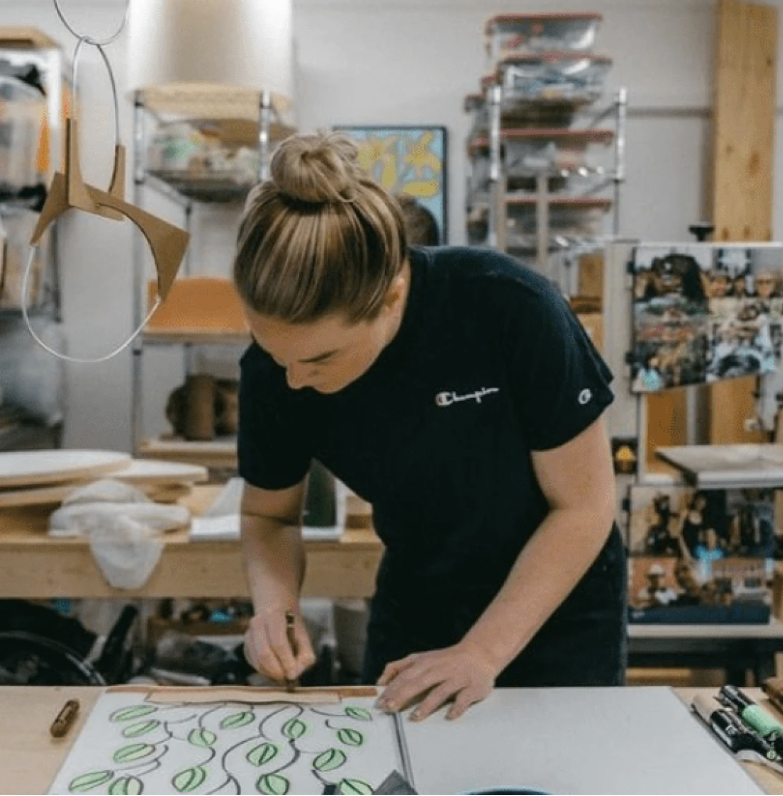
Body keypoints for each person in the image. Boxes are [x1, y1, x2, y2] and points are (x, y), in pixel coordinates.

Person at [233, 133, 624, 722]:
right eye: (275, 354)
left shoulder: (508, 306)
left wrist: (482, 652)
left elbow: (584, 507)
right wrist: (276, 608)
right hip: (418, 595)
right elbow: (269, 517)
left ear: (391, 297)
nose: (293, 380)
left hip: (557, 606)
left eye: (319, 360)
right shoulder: (276, 371)